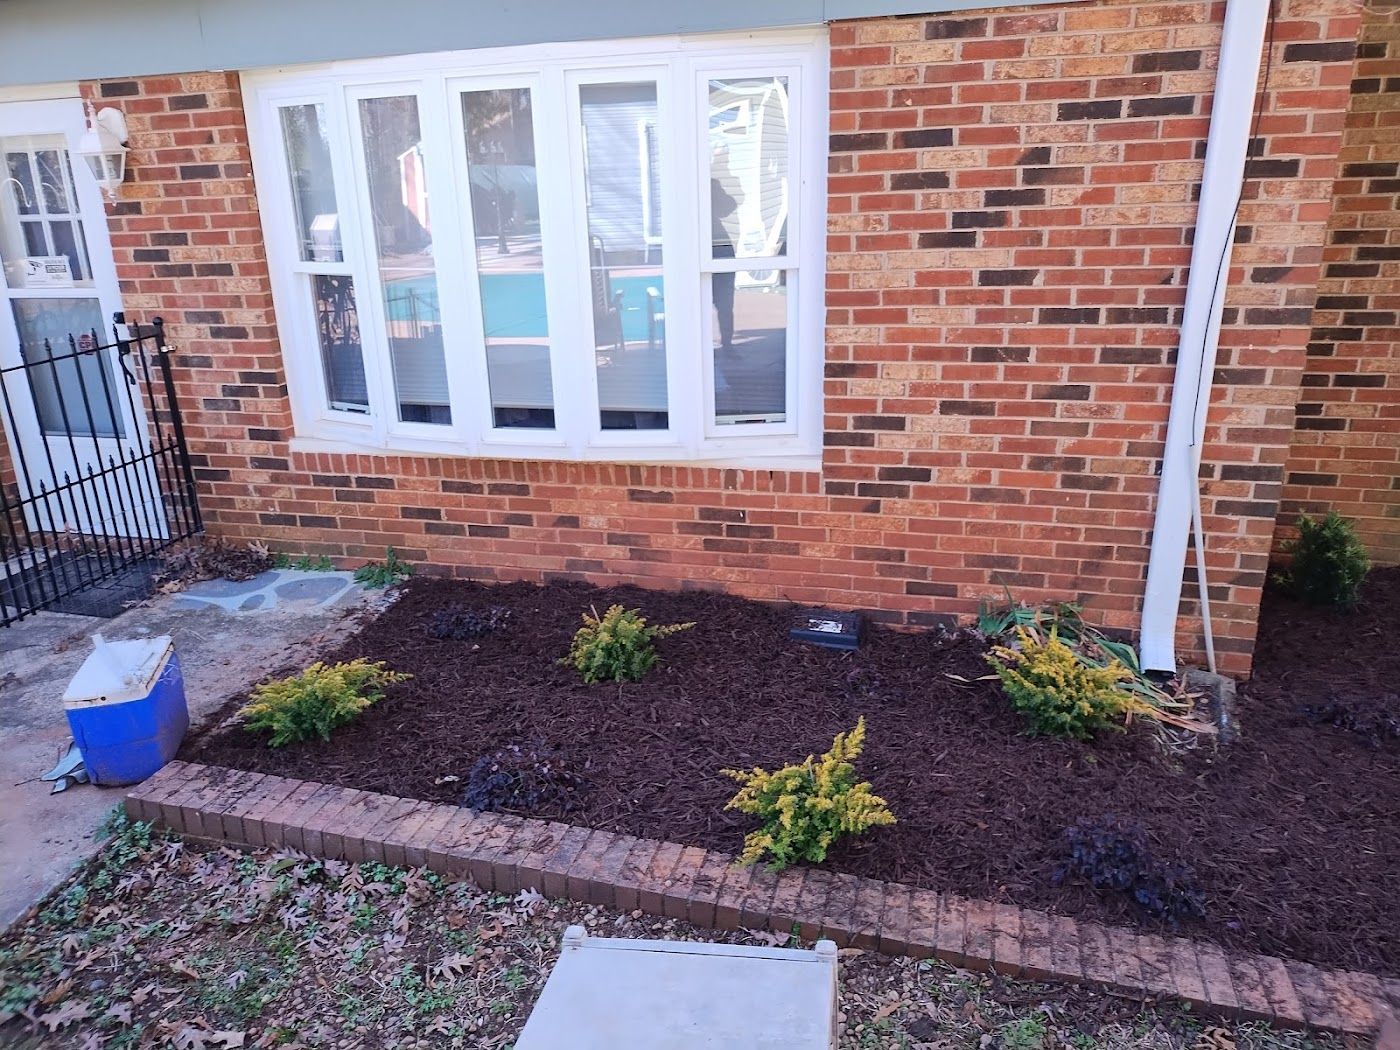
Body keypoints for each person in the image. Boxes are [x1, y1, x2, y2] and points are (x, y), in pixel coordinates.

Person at [711, 162, 738, 351]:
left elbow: (730, 205)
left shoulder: (711, 184)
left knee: (724, 302)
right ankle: (724, 344)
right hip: (716, 247)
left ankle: (727, 344)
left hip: (720, 248)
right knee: (722, 301)